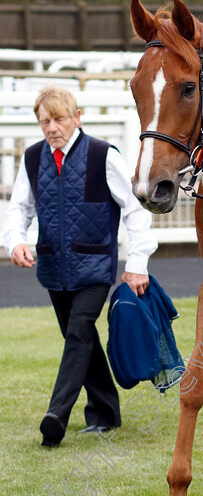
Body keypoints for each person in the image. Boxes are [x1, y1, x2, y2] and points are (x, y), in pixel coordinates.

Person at [2, 86, 158, 447]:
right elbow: (19, 209)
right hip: (53, 268)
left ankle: (57, 415)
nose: (52, 127)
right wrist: (16, 241)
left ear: (76, 117)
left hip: (95, 267)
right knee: (82, 337)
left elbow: (135, 209)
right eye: (45, 121)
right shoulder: (32, 158)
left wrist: (137, 262)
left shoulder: (103, 155)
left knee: (77, 333)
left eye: (58, 119)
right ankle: (106, 413)